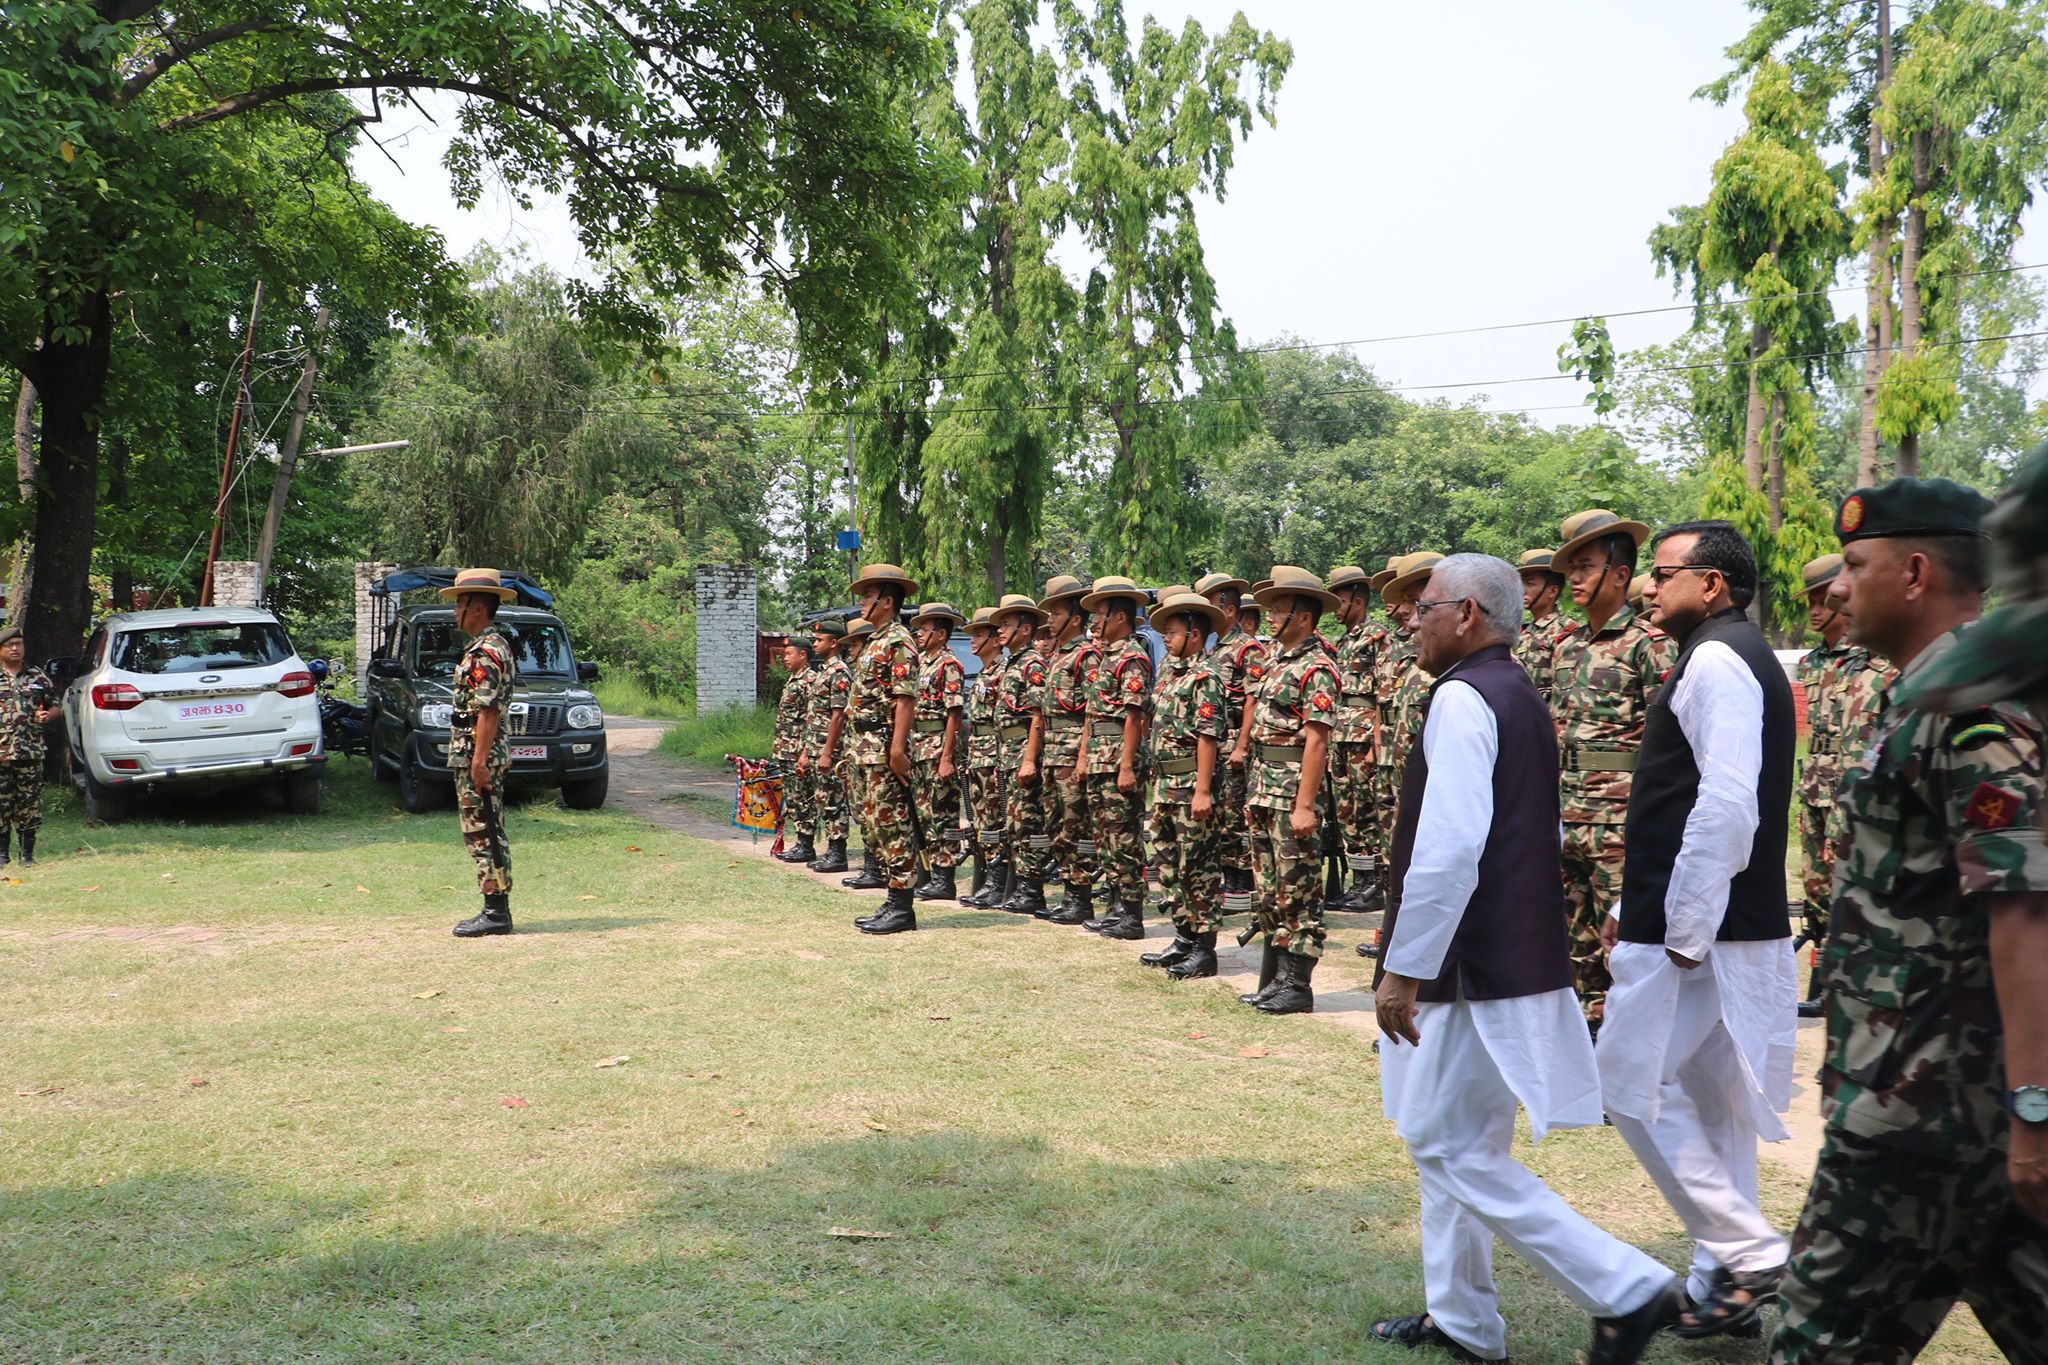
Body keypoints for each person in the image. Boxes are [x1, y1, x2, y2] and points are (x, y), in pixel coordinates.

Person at [1371, 552, 1680, 1365]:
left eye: (1426, 605)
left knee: (1445, 1145)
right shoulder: (1517, 694)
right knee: (1459, 1143)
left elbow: (1450, 846)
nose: (1412, 618)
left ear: (1467, 612)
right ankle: (1466, 1323)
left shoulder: (1467, 697)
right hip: (1497, 951)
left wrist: (1406, 962)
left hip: (1471, 960)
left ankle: (1626, 1286)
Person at [1767, 472, 2048, 1364]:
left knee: (1813, 1345)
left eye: (1854, 565)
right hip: (1939, 1107)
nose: (1835, 587)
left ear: (1916, 571)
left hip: (1923, 1113)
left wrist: (2035, 1110)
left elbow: (2026, 908)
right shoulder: (1925, 696)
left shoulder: (1972, 711)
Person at [1600, 521, 1798, 1339]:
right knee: (1717, 1110)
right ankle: (1723, 1287)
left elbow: (1725, 800)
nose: (1649, 587)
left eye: (1662, 573)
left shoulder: (1718, 657)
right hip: (1720, 921)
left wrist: (1683, 923)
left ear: (1711, 584)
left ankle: (1749, 1252)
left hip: (1699, 928)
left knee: (1628, 1084)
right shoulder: (1733, 652)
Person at [1549, 509, 1674, 1030]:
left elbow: (1669, 747)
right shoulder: (1567, 648)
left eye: (1585, 566)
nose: (1573, 579)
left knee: (1625, 943)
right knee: (1573, 940)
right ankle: (1590, 1042)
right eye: (1571, 568)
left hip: (1620, 823)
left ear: (1620, 574)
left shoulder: (1650, 645)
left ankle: (1632, 1052)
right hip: (1568, 816)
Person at [1239, 566, 1343, 1014]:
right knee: (1271, 890)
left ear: (1305, 616)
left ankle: (1298, 983)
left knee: (1298, 889)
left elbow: (1316, 740)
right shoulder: (1276, 662)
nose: (1271, 616)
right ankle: (1280, 977)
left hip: (1290, 794)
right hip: (1264, 788)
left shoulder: (1317, 667)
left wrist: (1305, 806)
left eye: (1281, 609)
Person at [1791, 554, 1891, 1018]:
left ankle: (1841, 992)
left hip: (1850, 797)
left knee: (1846, 892)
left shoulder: (1877, 663)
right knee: (1815, 895)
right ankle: (1822, 986)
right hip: (1814, 791)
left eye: (1822, 599)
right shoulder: (1813, 663)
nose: (1814, 609)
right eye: (1809, 600)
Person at [1139, 590, 1229, 978]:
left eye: (1172, 633)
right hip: (1165, 784)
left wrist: (1204, 790)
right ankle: (1184, 936)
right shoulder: (1170, 674)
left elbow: (1208, 735)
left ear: (1194, 634)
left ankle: (1203, 949)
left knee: (1198, 867)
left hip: (1191, 782)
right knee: (1169, 862)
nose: (1166, 639)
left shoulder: (1205, 678)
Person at [1072, 576, 1154, 940]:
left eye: (1100, 615)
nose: (1094, 623)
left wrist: (1125, 765)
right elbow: (1092, 713)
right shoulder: (1105, 657)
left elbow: (1134, 715)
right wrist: (1083, 758)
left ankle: (1132, 915)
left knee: (1125, 838)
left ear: (1120, 617)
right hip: (1098, 759)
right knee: (1106, 838)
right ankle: (1116, 907)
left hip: (1118, 757)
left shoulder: (1132, 657)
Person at [845, 564, 922, 935]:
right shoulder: (876, 640)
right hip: (863, 746)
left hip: (881, 746)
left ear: (886, 601)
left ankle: (902, 907)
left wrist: (897, 750)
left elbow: (904, 699)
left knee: (892, 826)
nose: (861, 602)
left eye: (867, 596)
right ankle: (892, 899)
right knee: (874, 825)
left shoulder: (898, 641)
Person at [442, 569, 519, 938]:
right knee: (483, 828)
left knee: (483, 829)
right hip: (473, 750)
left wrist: (479, 762)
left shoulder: (487, 651)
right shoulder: (487, 646)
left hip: (478, 752)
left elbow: (487, 711)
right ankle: (494, 908)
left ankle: (496, 912)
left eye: (460, 603)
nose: (454, 610)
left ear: (476, 609)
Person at [1020, 575, 1101, 926]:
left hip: (1071, 755)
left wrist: (1083, 757)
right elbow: (1039, 714)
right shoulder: (1055, 658)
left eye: (1055, 613)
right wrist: (1031, 756)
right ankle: (1070, 894)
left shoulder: (1087, 657)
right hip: (1053, 755)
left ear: (1075, 619)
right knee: (1057, 826)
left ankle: (1081, 898)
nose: (1049, 620)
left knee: (1076, 826)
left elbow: (1092, 713)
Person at [1198, 571, 1264, 919]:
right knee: (1222, 817)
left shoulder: (1247, 648)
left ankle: (1240, 885)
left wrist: (1241, 747)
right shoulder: (1213, 649)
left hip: (1236, 743)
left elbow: (1253, 700)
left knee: (1236, 817)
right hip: (1217, 741)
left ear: (1227, 610)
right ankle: (1227, 880)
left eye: (1209, 605)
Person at [1326, 565, 1387, 912]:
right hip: (1341, 732)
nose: (1335, 605)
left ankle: (1375, 883)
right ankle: (1359, 883)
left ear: (1358, 601)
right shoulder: (1343, 642)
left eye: (1340, 598)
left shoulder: (1376, 636)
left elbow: (1384, 689)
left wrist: (1378, 739)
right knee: (1347, 811)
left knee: (1367, 808)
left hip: (1364, 733)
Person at [991, 594, 1052, 914]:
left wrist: (1029, 759)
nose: (999, 631)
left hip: (1023, 753)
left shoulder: (1032, 663)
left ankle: (1033, 889)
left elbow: (1038, 715)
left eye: (1007, 625)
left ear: (1025, 629)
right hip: (1009, 751)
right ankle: (1026, 887)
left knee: (1028, 823)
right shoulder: (1013, 662)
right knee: (1015, 823)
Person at [907, 601, 968, 902]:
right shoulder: (922, 663)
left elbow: (954, 715)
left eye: (924, 629)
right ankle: (931, 874)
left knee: (943, 814)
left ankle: (945, 877)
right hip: (919, 747)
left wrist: (946, 757)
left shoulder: (949, 665)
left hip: (936, 748)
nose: (918, 634)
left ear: (941, 634)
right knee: (925, 814)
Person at [959, 607, 1009, 908]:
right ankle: (989, 877)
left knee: (994, 819)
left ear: (995, 640)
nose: (973, 641)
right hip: (979, 753)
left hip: (994, 755)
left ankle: (998, 882)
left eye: (979, 634)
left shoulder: (1003, 672)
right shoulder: (985, 674)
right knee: (981, 820)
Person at [0, 624, 56, 867]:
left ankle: (27, 856)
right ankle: (2, 856)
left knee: (29, 804)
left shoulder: (37, 676)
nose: (15, 648)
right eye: (10, 645)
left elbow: (55, 705)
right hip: (1, 753)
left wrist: (48, 716)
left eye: (19, 644)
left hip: (30, 751)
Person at [838, 618, 886, 890]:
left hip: (874, 747)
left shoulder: (875, 670)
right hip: (858, 747)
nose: (850, 650)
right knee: (861, 810)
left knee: (876, 812)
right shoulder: (857, 672)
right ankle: (872, 866)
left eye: (854, 644)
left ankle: (879, 869)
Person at [803, 618, 853, 874]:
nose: (814, 643)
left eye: (819, 640)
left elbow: (838, 715)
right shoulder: (823, 671)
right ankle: (830, 851)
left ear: (834, 643)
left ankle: (838, 853)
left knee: (833, 800)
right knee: (822, 799)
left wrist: (827, 752)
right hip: (815, 745)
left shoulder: (839, 672)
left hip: (829, 749)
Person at [771, 636, 817, 864]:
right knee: (792, 797)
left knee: (802, 797)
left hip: (798, 750)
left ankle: (806, 844)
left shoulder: (809, 680)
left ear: (803, 655)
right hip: (786, 749)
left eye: (789, 653)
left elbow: (813, 720)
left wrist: (806, 753)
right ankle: (800, 842)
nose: (785, 658)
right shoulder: (793, 679)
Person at [1512, 547, 1576, 703]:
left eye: (1529, 583)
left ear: (1552, 591)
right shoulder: (1522, 631)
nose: (1522, 590)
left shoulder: (1567, 631)